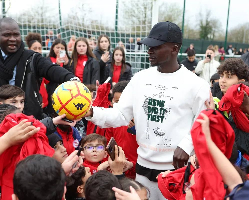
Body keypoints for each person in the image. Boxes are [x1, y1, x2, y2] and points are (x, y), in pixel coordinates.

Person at [85, 21, 210, 200]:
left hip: (176, 171)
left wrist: (186, 145)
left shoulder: (197, 85)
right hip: (143, 168)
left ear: (175, 48)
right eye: (148, 46)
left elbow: (206, 121)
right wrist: (90, 112)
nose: (149, 50)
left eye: (156, 46)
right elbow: (120, 115)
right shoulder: (140, 79)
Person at [0, 18, 78, 120]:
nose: (13, 38)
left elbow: (50, 69)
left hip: (30, 118)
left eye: (16, 35)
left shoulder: (32, 58)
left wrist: (71, 78)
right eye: (7, 35)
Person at [105, 81, 138, 179]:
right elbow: (108, 142)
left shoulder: (142, 121)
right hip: (117, 171)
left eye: (124, 102)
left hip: (137, 172)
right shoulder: (112, 120)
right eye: (117, 101)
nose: (121, 106)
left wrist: (133, 164)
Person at [25, 32, 48, 109]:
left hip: (44, 102)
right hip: (33, 103)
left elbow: (47, 81)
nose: (38, 51)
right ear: (29, 49)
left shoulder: (43, 63)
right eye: (35, 48)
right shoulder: (26, 64)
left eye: (40, 48)